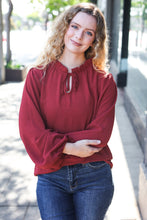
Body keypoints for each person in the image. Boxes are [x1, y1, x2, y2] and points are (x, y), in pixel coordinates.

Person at [19, 2, 117, 220]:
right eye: (75, 26)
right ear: (64, 27)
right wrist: (69, 147)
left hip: (94, 175)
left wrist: (51, 142)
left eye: (88, 32)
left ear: (94, 39)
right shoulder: (37, 76)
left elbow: (99, 135)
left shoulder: (104, 82)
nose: (78, 36)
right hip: (51, 175)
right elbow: (29, 131)